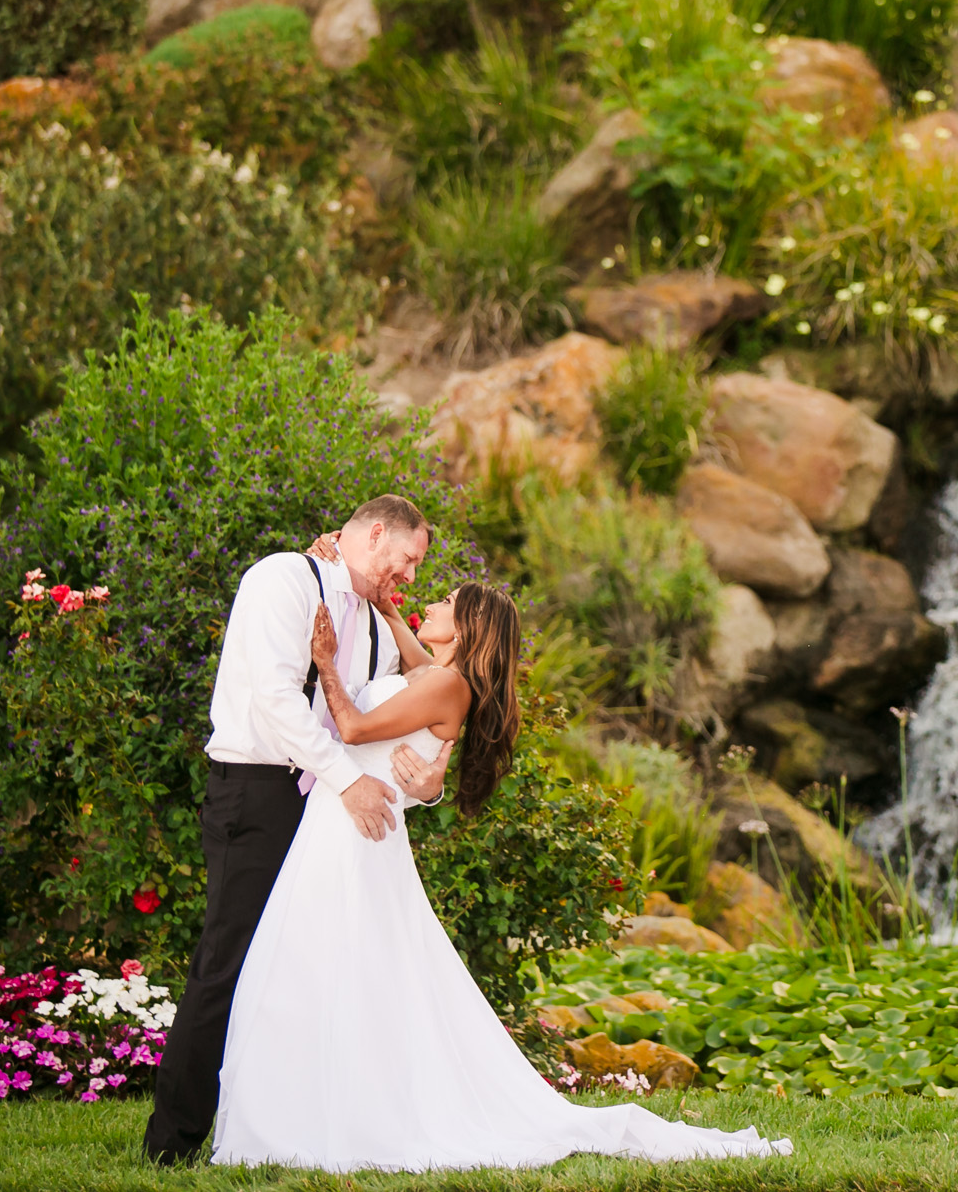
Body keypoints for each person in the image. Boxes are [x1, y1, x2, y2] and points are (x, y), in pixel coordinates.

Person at [209, 579, 791, 1172]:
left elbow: (354, 729)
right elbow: (415, 661)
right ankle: (321, 1105)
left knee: (324, 965)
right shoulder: (439, 676)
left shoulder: (445, 685)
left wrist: (326, 663)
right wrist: (385, 605)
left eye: (444, 604)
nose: (429, 604)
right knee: (344, 968)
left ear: (463, 629)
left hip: (352, 835)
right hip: (350, 828)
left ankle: (322, 1114)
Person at [143, 495, 434, 1166]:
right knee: (228, 961)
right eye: (408, 560)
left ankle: (274, 1125)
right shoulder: (280, 579)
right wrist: (348, 780)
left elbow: (416, 689)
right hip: (255, 791)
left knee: (296, 963)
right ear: (378, 532)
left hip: (318, 804)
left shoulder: (367, 619)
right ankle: (173, 1139)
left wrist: (424, 777)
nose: (413, 576)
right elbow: (275, 700)